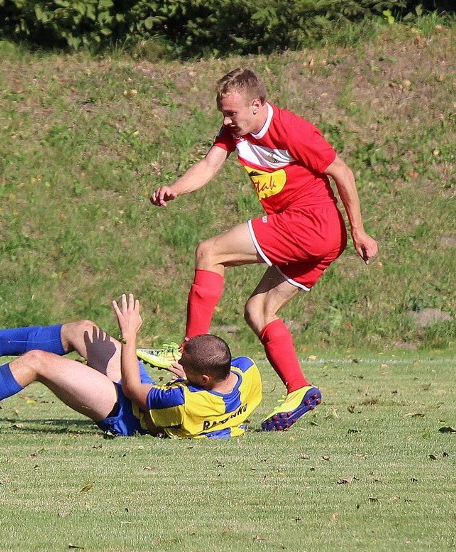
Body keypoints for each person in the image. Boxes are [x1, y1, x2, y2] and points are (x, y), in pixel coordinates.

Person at [148, 68, 379, 431]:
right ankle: (299, 389)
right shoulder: (235, 131)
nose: (226, 121)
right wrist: (176, 188)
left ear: (257, 105)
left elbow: (342, 172)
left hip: (310, 225)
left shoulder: (292, 130)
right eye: (223, 113)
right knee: (259, 310)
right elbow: (209, 165)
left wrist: (361, 232)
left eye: (231, 114)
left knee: (210, 252)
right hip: (321, 239)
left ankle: (187, 351)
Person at [0, 291, 262, 439]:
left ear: (202, 376)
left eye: (182, 357)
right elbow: (222, 397)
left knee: (37, 363)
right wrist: (190, 378)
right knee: (83, 330)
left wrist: (130, 335)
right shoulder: (245, 371)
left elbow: (136, 391)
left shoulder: (183, 401)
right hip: (164, 393)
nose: (176, 357)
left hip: (131, 415)